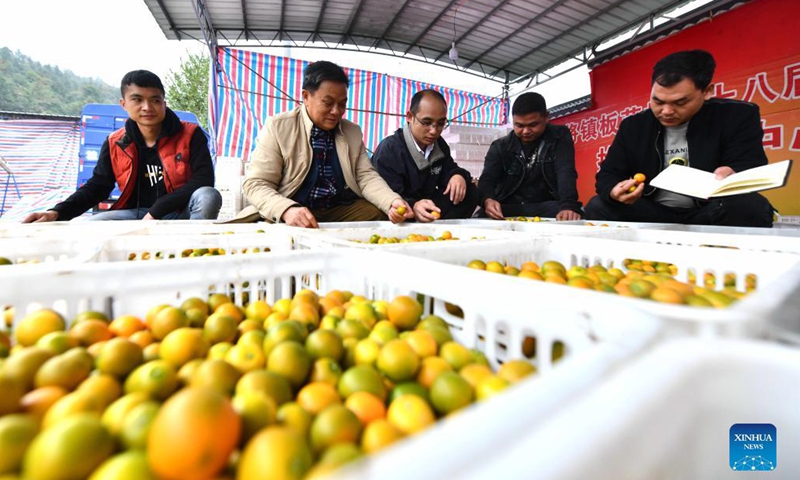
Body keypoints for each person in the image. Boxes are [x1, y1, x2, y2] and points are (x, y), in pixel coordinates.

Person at [584, 50, 773, 227]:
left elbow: (750, 162)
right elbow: (608, 174)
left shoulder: (737, 115)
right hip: (652, 213)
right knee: (598, 206)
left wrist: (733, 172)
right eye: (657, 101)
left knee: (752, 206)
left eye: (680, 102)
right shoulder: (633, 126)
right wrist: (613, 191)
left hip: (710, 210)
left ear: (707, 91)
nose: (666, 111)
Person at [23, 70, 221, 223]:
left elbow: (203, 180)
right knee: (94, 225)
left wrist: (157, 211)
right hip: (135, 215)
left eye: (155, 100)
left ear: (164, 103)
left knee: (208, 195)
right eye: (137, 99)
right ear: (123, 104)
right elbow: (98, 187)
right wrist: (56, 212)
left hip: (179, 214)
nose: (147, 107)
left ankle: (195, 248)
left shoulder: (190, 134)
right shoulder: (115, 142)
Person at [237, 61, 412, 227]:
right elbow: (256, 184)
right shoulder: (279, 127)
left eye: (342, 104)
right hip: (291, 207)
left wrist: (392, 201)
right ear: (306, 96)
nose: (336, 111)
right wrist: (286, 209)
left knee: (377, 212)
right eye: (328, 103)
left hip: (337, 210)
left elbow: (366, 177)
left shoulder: (352, 132)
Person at [371, 89, 480, 222]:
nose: (434, 131)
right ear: (410, 117)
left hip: (427, 205)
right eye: (426, 123)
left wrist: (457, 175)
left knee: (469, 191)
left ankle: (445, 233)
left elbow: (449, 169)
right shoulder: (390, 150)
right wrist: (413, 205)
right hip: (402, 208)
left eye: (440, 124)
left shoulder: (439, 145)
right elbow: (387, 194)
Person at [478, 92, 582, 221]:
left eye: (533, 125)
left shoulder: (559, 136)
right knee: (483, 215)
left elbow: (565, 171)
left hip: (545, 206)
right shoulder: (500, 146)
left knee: (569, 213)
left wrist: (568, 205)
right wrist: (488, 200)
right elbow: (487, 179)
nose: (526, 131)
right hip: (509, 206)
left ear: (546, 117)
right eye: (519, 125)